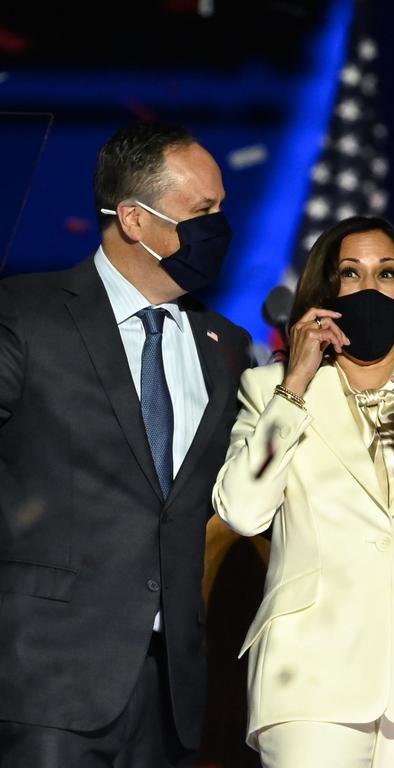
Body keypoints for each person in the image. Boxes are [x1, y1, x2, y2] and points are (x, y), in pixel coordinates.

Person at [212, 215, 394, 768]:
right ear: (327, 293)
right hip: (308, 680)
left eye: (386, 273)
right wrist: (294, 387)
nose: (370, 288)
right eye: (351, 274)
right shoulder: (269, 390)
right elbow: (243, 510)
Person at [0, 122, 251, 766]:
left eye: (221, 208)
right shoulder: (25, 315)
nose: (219, 226)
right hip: (44, 682)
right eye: (203, 211)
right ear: (135, 220)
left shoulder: (224, 348)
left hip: (170, 692)